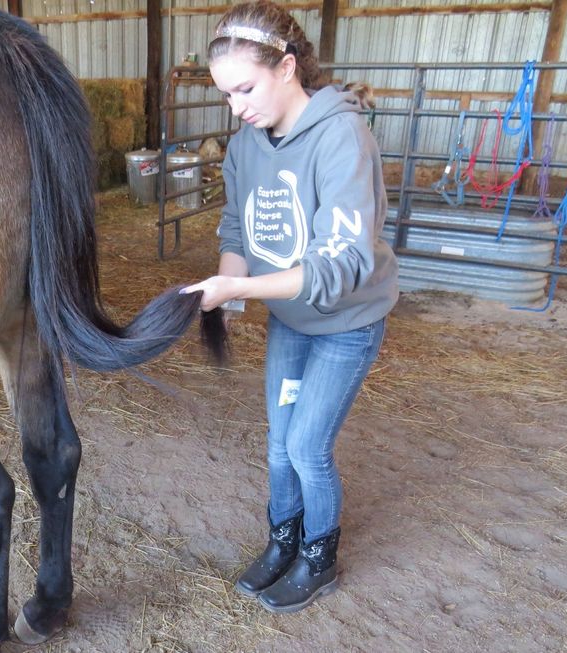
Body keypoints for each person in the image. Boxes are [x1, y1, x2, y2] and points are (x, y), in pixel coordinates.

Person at [181, 0, 399, 614]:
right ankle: (284, 541)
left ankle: (319, 557)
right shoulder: (248, 145)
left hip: (346, 323)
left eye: (245, 88)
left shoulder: (341, 137)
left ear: (287, 66)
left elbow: (342, 265)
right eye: (226, 95)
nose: (237, 106)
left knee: (307, 448)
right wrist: (226, 290)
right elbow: (235, 226)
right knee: (279, 443)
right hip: (292, 319)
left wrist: (242, 291)